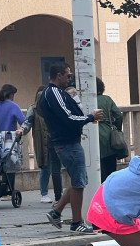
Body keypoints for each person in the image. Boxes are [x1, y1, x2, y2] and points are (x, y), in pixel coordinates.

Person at [40, 62, 103, 233]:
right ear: (59, 75)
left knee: (78, 180)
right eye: (68, 75)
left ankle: (56, 211)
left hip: (65, 142)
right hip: (68, 142)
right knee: (78, 183)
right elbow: (68, 118)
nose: (69, 78)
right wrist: (90, 117)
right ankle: (77, 222)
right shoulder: (54, 93)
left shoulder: (52, 93)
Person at [21, 86, 62, 204]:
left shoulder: (54, 108)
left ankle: (59, 194)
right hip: (41, 141)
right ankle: (44, 193)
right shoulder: (33, 109)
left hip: (54, 139)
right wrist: (23, 130)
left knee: (56, 168)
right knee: (45, 167)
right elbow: (27, 122)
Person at [0, 84, 25, 200]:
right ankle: (9, 189)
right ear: (11, 94)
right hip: (9, 139)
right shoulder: (13, 106)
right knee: (10, 164)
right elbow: (23, 121)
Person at [96, 78, 123, 182]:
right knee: (111, 165)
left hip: (93, 136)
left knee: (99, 166)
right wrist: (117, 128)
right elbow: (118, 115)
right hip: (108, 135)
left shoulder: (87, 100)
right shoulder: (107, 99)